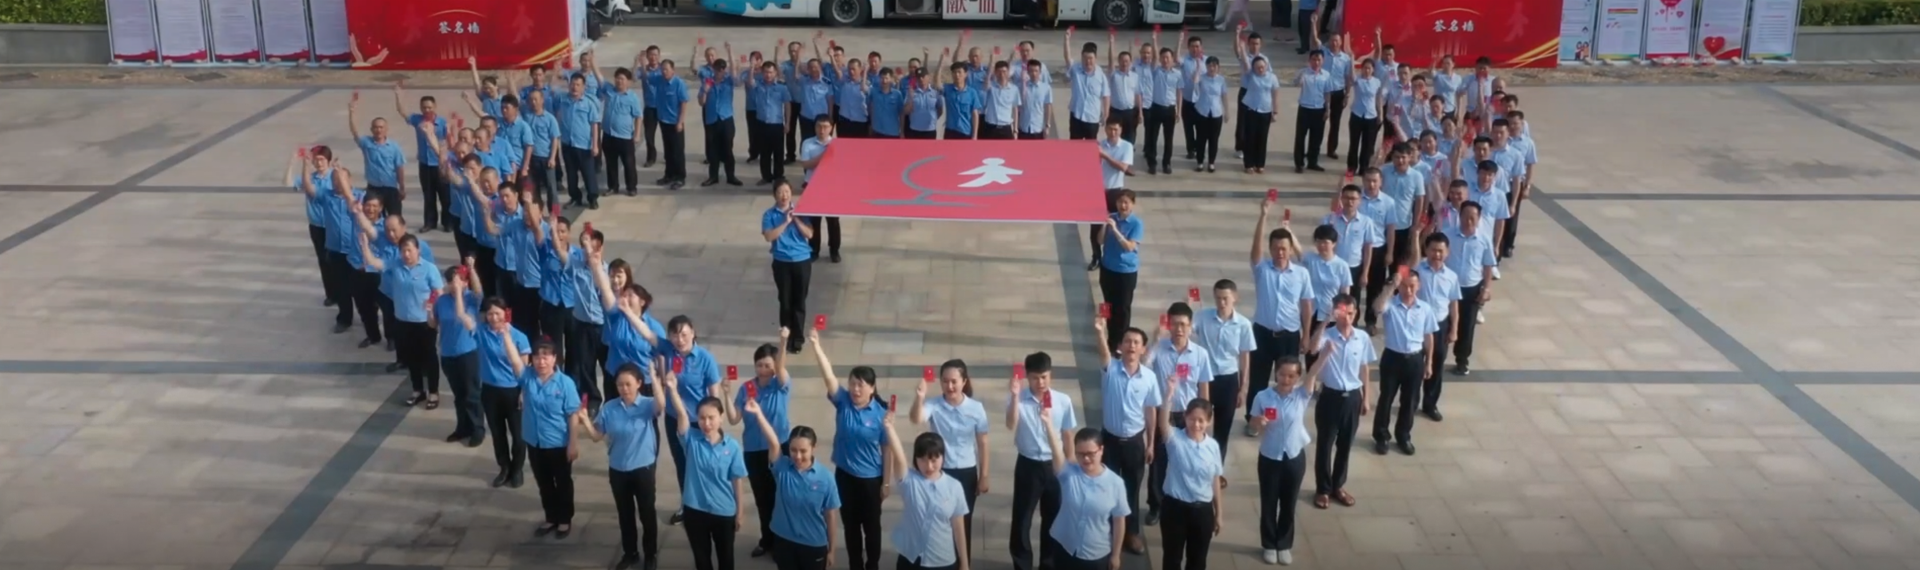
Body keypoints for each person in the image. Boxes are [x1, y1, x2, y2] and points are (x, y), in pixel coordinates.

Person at [807, 329, 890, 570]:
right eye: (852, 384)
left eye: (860, 385)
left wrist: (886, 483)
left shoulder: (881, 415)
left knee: (871, 528)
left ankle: (872, 565)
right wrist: (816, 345)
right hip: (844, 476)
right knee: (851, 526)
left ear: (872, 388)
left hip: (870, 481)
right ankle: (855, 565)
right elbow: (828, 376)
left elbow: (887, 450)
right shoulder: (843, 402)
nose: (855, 389)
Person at [663, 359, 754, 570]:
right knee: (702, 561)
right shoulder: (691, 440)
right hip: (695, 510)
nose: (706, 423)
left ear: (721, 418)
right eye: (702, 418)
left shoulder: (732, 447)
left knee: (726, 559)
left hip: (724, 511)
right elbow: (682, 414)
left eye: (711, 418)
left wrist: (740, 511)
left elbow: (737, 481)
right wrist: (673, 389)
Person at [576, 364, 663, 570]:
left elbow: (661, 405)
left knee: (647, 513)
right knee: (625, 514)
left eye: (628, 384)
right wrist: (585, 421)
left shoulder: (647, 405)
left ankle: (650, 554)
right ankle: (630, 553)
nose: (624, 389)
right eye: (620, 385)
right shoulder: (610, 407)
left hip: (643, 469)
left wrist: (655, 379)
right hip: (618, 469)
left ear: (639, 384)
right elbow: (597, 436)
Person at [1089, 316, 1160, 556]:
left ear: (1143, 349)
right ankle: (1106, 531)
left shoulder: (1149, 378)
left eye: (1136, 342)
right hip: (1109, 440)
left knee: (1131, 489)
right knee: (1105, 487)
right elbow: (1103, 353)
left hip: (1134, 442)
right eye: (1127, 341)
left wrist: (1150, 443)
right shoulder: (1110, 369)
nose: (1131, 346)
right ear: (1120, 346)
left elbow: (1150, 411)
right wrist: (1100, 332)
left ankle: (1131, 533)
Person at [1245, 197, 1314, 436]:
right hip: (1263, 333)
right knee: (1258, 379)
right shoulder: (1262, 270)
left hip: (1289, 334)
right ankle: (1254, 420)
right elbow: (1255, 252)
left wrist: (1306, 334)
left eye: (1284, 248)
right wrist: (1263, 215)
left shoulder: (1301, 274)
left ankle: (1286, 417)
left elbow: (1306, 305)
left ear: (1290, 249)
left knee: (1287, 379)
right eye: (1275, 248)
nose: (1280, 252)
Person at [1249, 357, 1327, 565]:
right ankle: (1268, 544)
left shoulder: (1301, 395)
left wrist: (1325, 353)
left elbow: (1314, 372)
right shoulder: (1263, 397)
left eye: (1291, 375)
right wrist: (1258, 422)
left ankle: (1283, 544)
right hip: (1269, 456)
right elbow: (1252, 423)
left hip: (1293, 457)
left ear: (1298, 377)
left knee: (1289, 502)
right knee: (1268, 502)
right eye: (1282, 374)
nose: (1286, 379)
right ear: (1276, 373)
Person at [909, 360, 990, 555]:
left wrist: (984, 475)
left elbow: (983, 443)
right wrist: (919, 397)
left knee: (963, 522)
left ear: (964, 381)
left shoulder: (976, 408)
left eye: (954, 381)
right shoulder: (934, 404)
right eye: (945, 381)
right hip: (940, 471)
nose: (950, 386)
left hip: (966, 472)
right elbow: (916, 419)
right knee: (938, 521)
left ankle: (963, 563)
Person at [1143, 302, 1212, 528]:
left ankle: (1182, 498)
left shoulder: (1200, 354)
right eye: (1174, 324)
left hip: (1188, 416)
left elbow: (1203, 387)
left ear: (1190, 326)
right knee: (1158, 461)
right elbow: (1144, 365)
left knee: (1186, 459)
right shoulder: (1160, 348)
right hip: (1164, 413)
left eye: (1183, 324)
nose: (1179, 329)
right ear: (1169, 325)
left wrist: (1205, 417)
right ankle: (1156, 505)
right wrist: (1155, 340)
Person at [359, 228, 444, 408]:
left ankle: (433, 392)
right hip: (403, 321)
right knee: (411, 357)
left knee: (429, 356)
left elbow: (439, 292)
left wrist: (432, 306)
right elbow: (375, 263)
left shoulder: (429, 269)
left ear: (417, 250)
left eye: (409, 250)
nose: (406, 254)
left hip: (424, 322)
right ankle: (417, 390)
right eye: (403, 251)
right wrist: (365, 246)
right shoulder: (395, 264)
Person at [1006, 352, 1076, 570]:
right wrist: (1015, 397)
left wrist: (1071, 467)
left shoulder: (1063, 401)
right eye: (1035, 378)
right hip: (1028, 465)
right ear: (1027, 376)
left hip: (1055, 465)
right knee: (1022, 519)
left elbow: (1067, 435)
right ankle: (1022, 564)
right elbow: (1010, 424)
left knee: (1053, 519)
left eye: (1044, 377)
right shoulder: (1018, 399)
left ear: (1050, 375)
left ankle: (1049, 564)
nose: (1041, 382)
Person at [732, 330, 795, 558]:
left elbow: (782, 367)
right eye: (759, 365)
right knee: (762, 498)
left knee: (780, 496)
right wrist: (726, 393)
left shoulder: (781, 385)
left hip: (778, 448)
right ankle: (767, 540)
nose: (763, 370)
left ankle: (783, 543)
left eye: (768, 365)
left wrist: (783, 341)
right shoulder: (747, 388)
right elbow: (734, 418)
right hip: (753, 450)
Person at [1311, 294, 1372, 510]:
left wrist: (1366, 397)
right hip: (1330, 396)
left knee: (1345, 445)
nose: (1347, 318)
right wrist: (1326, 320)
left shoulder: (1361, 337)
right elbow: (1312, 348)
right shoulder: (1327, 336)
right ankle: (1323, 489)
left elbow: (1364, 368)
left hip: (1352, 396)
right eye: (1343, 313)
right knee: (1325, 445)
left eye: (1351, 313)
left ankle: (1338, 486)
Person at [1371, 267, 1438, 456]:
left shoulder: (1424, 309)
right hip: (1392, 357)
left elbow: (1429, 336)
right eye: (1405, 286)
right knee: (1386, 398)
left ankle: (1403, 436)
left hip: (1415, 359)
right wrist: (1391, 285)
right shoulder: (1390, 305)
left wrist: (1429, 362)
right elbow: (1377, 307)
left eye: (1412, 286)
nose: (1408, 291)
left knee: (1410, 401)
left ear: (1419, 286)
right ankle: (1381, 436)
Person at [885, 427, 972, 570]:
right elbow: (899, 455)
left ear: (942, 457)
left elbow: (958, 528)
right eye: (923, 460)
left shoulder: (954, 486)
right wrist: (889, 427)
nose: (929, 466)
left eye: (934, 460)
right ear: (916, 459)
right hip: (911, 559)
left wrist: (964, 563)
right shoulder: (909, 481)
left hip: (942, 560)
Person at [663, 315, 722, 525]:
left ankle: (710, 504)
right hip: (674, 419)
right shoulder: (669, 352)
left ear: (693, 333)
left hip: (699, 422)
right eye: (675, 335)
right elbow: (648, 335)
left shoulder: (705, 359)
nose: (680, 340)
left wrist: (715, 424)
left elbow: (714, 396)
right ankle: (687, 504)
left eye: (684, 334)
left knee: (703, 464)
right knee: (682, 463)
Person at [521, 340, 582, 538]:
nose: (541, 361)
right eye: (537, 357)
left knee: (563, 482)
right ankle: (550, 517)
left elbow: (573, 414)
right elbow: (514, 362)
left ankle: (564, 519)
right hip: (534, 441)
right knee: (544, 482)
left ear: (554, 358)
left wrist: (573, 443)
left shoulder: (565, 383)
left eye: (546, 357)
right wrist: (505, 334)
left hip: (558, 442)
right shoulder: (528, 377)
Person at [1046, 425, 1129, 570]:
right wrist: (1048, 423)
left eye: (1091, 453)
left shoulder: (1116, 484)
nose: (1086, 459)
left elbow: (1119, 520)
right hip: (1064, 547)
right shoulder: (1068, 474)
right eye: (1080, 454)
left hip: (1095, 554)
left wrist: (1116, 555)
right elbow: (1056, 449)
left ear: (1101, 450)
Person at [1157, 396, 1223, 570]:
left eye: (1201, 420)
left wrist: (1219, 513)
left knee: (1198, 560)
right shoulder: (1175, 439)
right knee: (1172, 558)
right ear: (1185, 417)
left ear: (1208, 421)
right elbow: (1163, 423)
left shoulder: (1213, 446)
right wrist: (1169, 396)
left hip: (1202, 511)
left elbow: (1215, 480)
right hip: (1175, 509)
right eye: (1192, 419)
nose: (1196, 424)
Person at [1191, 280, 1255, 456]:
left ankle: (1217, 466)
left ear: (1235, 297)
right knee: (1198, 423)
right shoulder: (1203, 316)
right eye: (1218, 298)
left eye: (1225, 298)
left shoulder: (1243, 324)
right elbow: (1187, 330)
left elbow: (1244, 357)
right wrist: (1189, 305)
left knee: (1223, 429)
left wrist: (1243, 388)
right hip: (1205, 378)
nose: (1222, 302)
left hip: (1228, 379)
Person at [766, 423, 841, 570]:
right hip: (784, 541)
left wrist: (832, 550)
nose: (798, 456)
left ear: (814, 448)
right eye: (793, 450)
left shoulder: (826, 478)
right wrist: (758, 414)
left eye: (803, 451)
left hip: (813, 545)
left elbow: (830, 516)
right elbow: (773, 441)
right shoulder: (782, 468)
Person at [477, 297, 531, 488]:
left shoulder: (518, 336)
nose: (493, 318)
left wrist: (524, 392)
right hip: (490, 391)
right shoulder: (481, 332)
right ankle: (504, 467)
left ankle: (517, 469)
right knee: (497, 433)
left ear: (506, 313)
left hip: (513, 391)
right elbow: (464, 319)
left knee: (518, 435)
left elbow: (524, 369)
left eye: (497, 313)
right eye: (490, 313)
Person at [288, 147, 347, 322]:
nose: (319, 163)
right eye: (316, 159)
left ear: (328, 161)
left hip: (332, 225)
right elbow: (288, 183)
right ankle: (331, 293)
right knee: (323, 260)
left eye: (322, 159)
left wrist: (339, 170)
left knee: (336, 260)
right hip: (316, 225)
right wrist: (293, 162)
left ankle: (343, 291)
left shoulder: (333, 177)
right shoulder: (310, 177)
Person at [434, 258, 487, 446]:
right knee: (459, 395)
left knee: (472, 393)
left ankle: (477, 429)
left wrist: (471, 270)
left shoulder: (471, 299)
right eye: (451, 281)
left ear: (465, 282)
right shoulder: (441, 301)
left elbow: (478, 291)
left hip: (468, 352)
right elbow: (434, 323)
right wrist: (428, 312)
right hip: (448, 353)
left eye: (458, 281)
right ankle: (462, 427)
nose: (454, 284)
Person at [1443, 201, 1496, 377]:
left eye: (1473, 217)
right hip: (1448, 288)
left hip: (1471, 288)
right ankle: (1437, 357)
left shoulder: (1484, 239)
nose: (1469, 221)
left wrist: (1486, 288)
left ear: (1479, 218)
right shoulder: (1447, 235)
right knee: (1443, 323)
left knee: (1467, 327)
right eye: (1465, 216)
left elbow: (1488, 265)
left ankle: (1462, 360)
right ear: (1459, 216)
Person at [763, 181, 815, 354]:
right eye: (780, 192)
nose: (784, 195)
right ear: (775, 195)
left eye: (786, 192)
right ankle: (785, 337)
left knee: (799, 301)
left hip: (802, 261)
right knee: (785, 301)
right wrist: (785, 222)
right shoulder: (769, 214)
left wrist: (796, 219)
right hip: (781, 262)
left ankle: (798, 339)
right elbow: (769, 236)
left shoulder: (801, 211)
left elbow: (809, 234)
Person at [1413, 233, 1460, 421]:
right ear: (1426, 250)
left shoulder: (1451, 277)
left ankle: (1430, 404)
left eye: (1441, 251)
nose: (1437, 255)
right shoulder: (1417, 270)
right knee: (1416, 366)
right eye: (1433, 250)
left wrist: (1454, 328)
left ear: (1447, 252)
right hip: (1418, 325)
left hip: (1440, 326)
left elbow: (1453, 304)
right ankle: (1411, 402)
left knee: (1437, 366)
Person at [1097, 190, 1144, 353]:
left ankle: (1121, 342)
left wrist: (1116, 230)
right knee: (1109, 305)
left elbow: (1129, 247)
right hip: (1108, 268)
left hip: (1126, 271)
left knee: (1122, 308)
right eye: (1120, 202)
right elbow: (1100, 241)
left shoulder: (1136, 223)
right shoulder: (1112, 218)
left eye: (1126, 202)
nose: (1122, 206)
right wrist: (1104, 225)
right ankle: (1111, 339)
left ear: (1132, 204)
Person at [348, 93, 407, 217]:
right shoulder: (366, 143)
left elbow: (399, 168)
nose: (378, 130)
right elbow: (354, 132)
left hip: (390, 188)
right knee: (373, 217)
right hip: (373, 188)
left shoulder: (394, 147)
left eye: (381, 127)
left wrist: (402, 187)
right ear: (371, 129)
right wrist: (351, 112)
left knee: (395, 217)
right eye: (375, 127)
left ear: (386, 129)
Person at [398, 90, 450, 231]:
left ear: (435, 107)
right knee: (428, 195)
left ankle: (448, 223)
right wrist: (399, 95)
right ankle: (429, 223)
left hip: (440, 164)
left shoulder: (442, 123)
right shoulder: (418, 120)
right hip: (425, 164)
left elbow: (447, 142)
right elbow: (402, 112)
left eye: (429, 107)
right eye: (424, 107)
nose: (427, 110)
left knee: (445, 195)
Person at [569, 225, 609, 407]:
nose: (590, 253)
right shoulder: (575, 266)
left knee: (607, 366)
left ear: (601, 248)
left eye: (594, 248)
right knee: (585, 365)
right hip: (582, 324)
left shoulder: (607, 272)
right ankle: (592, 400)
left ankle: (611, 400)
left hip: (603, 325)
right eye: (586, 249)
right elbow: (561, 253)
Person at [555, 75, 604, 207]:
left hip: (584, 145)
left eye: (578, 85)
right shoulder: (562, 100)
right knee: (571, 174)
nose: (574, 87)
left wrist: (595, 145)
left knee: (588, 173)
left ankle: (592, 198)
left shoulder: (589, 103)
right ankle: (575, 197)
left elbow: (594, 125)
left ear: (584, 87)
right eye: (572, 84)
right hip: (567, 144)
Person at [798, 118, 842, 263]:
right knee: (814, 220)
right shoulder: (808, 143)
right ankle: (814, 250)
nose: (822, 130)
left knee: (833, 221)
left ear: (831, 128)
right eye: (819, 126)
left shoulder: (837, 144)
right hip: (812, 186)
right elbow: (806, 164)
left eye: (825, 127)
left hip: (831, 187)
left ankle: (834, 251)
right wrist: (825, 155)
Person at [749, 61, 794, 184]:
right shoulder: (758, 86)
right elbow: (750, 82)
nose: (768, 75)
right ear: (762, 73)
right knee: (765, 152)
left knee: (778, 152)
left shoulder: (782, 88)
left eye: (771, 72)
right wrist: (752, 67)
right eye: (765, 72)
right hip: (761, 123)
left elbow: (787, 105)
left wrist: (787, 123)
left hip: (776, 124)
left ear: (775, 73)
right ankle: (766, 176)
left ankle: (779, 176)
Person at [1237, 48, 1281, 174]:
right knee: (1249, 137)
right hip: (1251, 109)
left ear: (1266, 66)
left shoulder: (1272, 77)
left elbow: (1275, 95)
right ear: (1253, 68)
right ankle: (1248, 164)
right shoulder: (1250, 75)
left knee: (1262, 138)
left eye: (1262, 67)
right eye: (1257, 67)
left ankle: (1260, 164)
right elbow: (1245, 62)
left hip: (1265, 111)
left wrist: (1275, 112)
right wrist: (1242, 49)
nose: (1260, 69)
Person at [702, 58, 745, 187]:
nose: (720, 72)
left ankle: (730, 176)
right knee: (713, 150)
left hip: (726, 119)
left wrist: (730, 53)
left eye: (722, 69)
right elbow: (701, 102)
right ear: (713, 69)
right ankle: (713, 176)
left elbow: (737, 81)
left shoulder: (729, 80)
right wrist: (705, 91)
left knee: (727, 149)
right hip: (712, 120)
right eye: (718, 69)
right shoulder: (707, 81)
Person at [603, 68, 645, 198]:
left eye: (622, 79)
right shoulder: (610, 92)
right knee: (610, 163)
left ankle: (631, 187)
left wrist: (637, 134)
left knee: (629, 163)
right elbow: (600, 79)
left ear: (628, 82)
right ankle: (613, 187)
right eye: (617, 78)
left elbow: (638, 116)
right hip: (608, 135)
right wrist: (593, 63)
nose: (619, 81)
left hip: (625, 137)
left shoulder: (632, 97)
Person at [1291, 50, 1332, 173]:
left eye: (1319, 60)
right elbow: (1296, 84)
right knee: (1300, 137)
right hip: (1305, 109)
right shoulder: (1304, 73)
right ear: (1309, 60)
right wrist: (1300, 77)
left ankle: (1313, 162)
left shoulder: (1326, 75)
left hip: (1319, 109)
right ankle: (1299, 163)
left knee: (1316, 138)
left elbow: (1327, 93)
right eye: (1314, 59)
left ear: (1323, 61)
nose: (1316, 62)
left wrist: (1327, 109)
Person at [1062, 31, 1110, 140]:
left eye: (1090, 58)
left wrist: (1106, 114)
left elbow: (1106, 95)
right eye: (1085, 58)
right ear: (1081, 58)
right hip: (1076, 116)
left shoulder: (1100, 75)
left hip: (1092, 118)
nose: (1088, 61)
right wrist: (1067, 40)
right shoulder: (1075, 69)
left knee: (1090, 146)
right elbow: (1067, 58)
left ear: (1095, 58)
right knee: (1074, 145)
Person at [1141, 47, 1180, 173]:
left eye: (1167, 57)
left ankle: (1166, 163)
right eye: (1163, 57)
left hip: (1170, 109)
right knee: (1153, 137)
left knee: (1169, 138)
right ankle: (1152, 163)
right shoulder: (1155, 71)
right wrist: (1154, 41)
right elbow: (1154, 59)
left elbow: (1179, 92)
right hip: (1156, 108)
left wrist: (1179, 111)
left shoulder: (1177, 74)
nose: (1165, 60)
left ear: (1172, 59)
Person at [656, 59, 692, 190]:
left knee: (677, 151)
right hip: (663, 121)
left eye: (666, 69)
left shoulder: (679, 83)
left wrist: (680, 122)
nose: (664, 72)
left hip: (675, 122)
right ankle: (669, 175)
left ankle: (680, 177)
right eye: (662, 69)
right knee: (668, 151)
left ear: (673, 70)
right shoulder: (660, 81)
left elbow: (683, 103)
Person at [1186, 57, 1227, 173]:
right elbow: (1194, 83)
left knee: (1214, 139)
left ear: (1218, 67)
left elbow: (1224, 95)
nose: (1212, 68)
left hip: (1216, 113)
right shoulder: (1202, 78)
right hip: (1202, 112)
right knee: (1201, 139)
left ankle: (1211, 162)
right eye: (1209, 66)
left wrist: (1227, 111)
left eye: (1214, 66)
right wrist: (1198, 68)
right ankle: (1200, 162)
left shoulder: (1221, 80)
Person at [1345, 58, 1384, 174]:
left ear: (1373, 70)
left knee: (1367, 145)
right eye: (1365, 68)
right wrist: (1352, 59)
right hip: (1357, 115)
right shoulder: (1357, 80)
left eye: (1369, 68)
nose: (1367, 70)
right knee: (1354, 143)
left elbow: (1378, 99)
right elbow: (1351, 76)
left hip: (1371, 116)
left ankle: (1364, 168)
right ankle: (1351, 167)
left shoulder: (1377, 82)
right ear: (1361, 69)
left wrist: (1380, 114)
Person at [1017, 59, 1053, 140]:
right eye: (1031, 71)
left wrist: (1047, 125)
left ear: (1040, 72)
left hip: (1038, 128)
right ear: (1028, 72)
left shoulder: (1046, 88)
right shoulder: (1022, 87)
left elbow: (1048, 107)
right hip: (1024, 127)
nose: (1034, 73)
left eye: (1036, 71)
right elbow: (1017, 106)